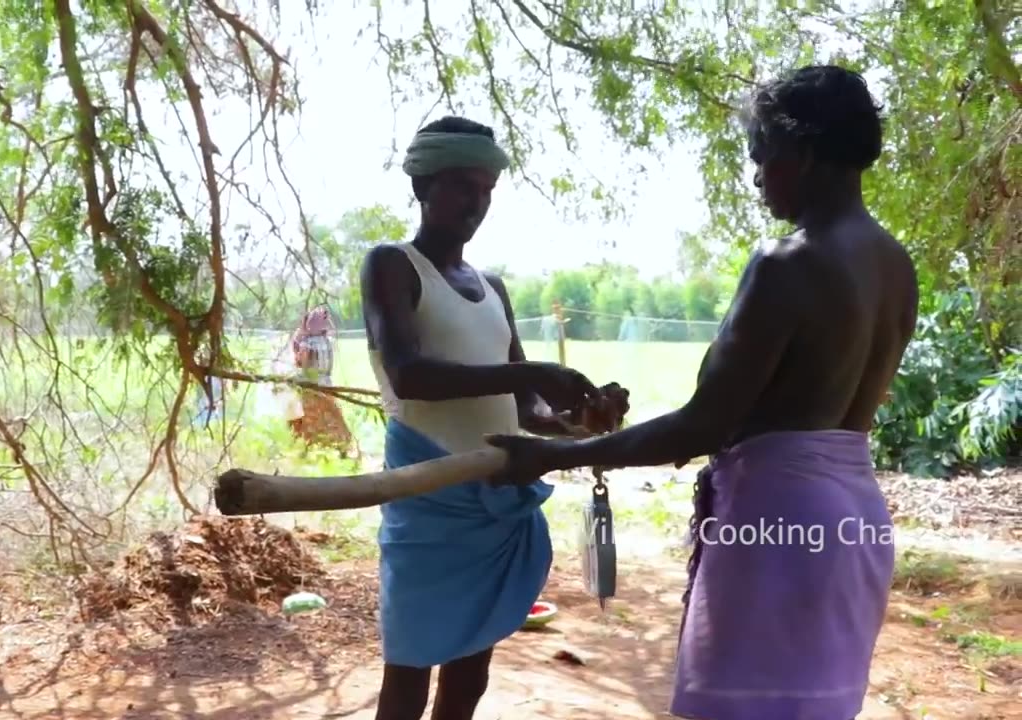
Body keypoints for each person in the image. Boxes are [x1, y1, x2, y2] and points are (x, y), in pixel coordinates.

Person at [485, 65, 919, 720]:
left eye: (761, 155)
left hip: (777, 522)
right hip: (853, 522)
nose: (755, 176)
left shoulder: (788, 263)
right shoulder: (894, 263)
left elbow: (704, 425)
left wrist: (547, 456)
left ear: (799, 151)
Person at [360, 115, 607, 720]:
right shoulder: (392, 266)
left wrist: (581, 419)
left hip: (493, 500)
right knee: (409, 669)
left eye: (486, 190)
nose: (476, 202)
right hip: (427, 499)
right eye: (461, 187)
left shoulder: (491, 286)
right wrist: (530, 373)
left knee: (470, 671)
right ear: (422, 186)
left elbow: (528, 411)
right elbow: (408, 375)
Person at [286, 304, 354, 456]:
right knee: (330, 416)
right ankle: (340, 446)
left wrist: (297, 351)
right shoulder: (327, 341)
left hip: (310, 385)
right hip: (326, 383)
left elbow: (302, 364)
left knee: (307, 418)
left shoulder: (307, 342)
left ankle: (307, 447)